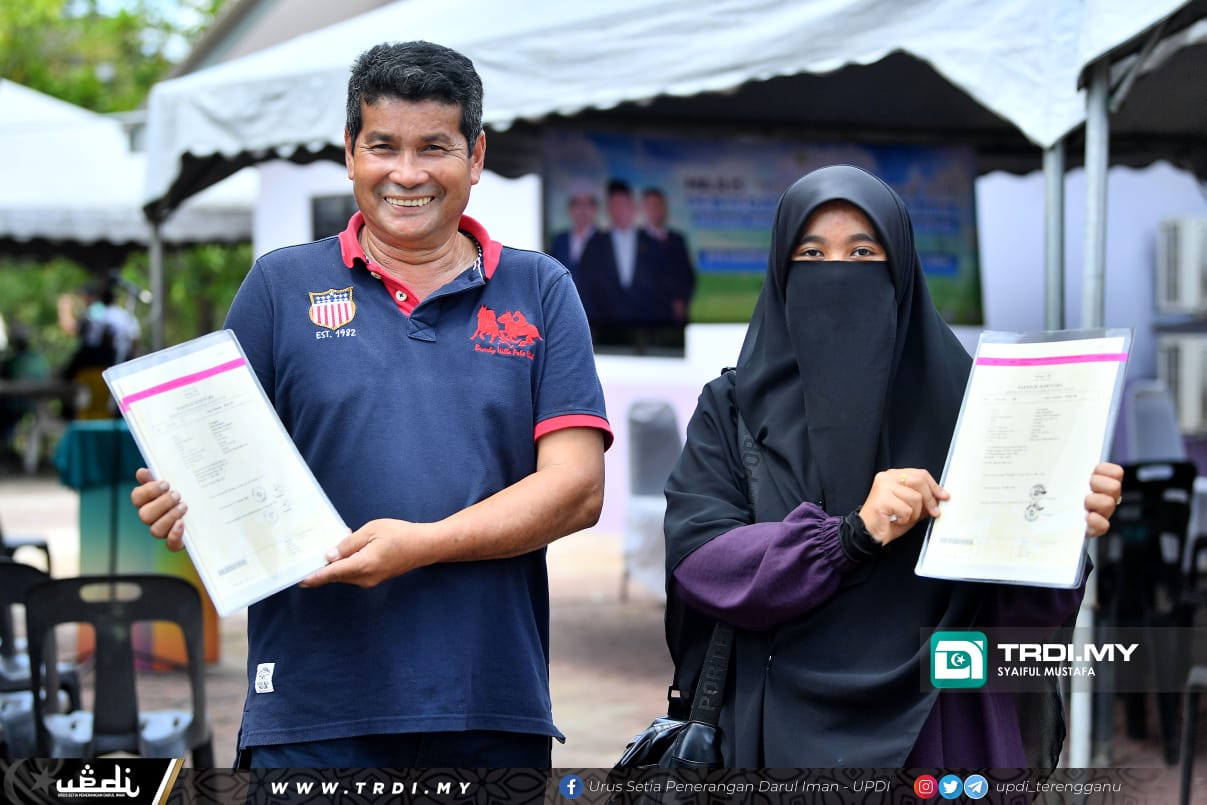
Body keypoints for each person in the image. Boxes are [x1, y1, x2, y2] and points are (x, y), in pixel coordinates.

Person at [130, 40, 611, 768]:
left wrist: (420, 545)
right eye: (383, 145)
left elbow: (575, 489)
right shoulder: (278, 288)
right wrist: (184, 502)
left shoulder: (540, 290)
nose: (407, 173)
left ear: (475, 157)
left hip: (485, 701)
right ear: (350, 152)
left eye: (434, 147)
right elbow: (218, 459)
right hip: (310, 707)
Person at [662, 164, 1123, 768]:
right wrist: (849, 536)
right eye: (811, 252)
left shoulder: (979, 409)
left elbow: (1020, 622)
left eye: (862, 251)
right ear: (780, 269)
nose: (837, 274)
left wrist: (1058, 527)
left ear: (900, 269)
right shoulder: (733, 409)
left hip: (938, 728)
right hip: (774, 735)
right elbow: (701, 557)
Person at [576, 179, 683, 352]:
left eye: (624, 205)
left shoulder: (654, 245)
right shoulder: (595, 245)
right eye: (615, 206)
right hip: (604, 334)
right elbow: (586, 287)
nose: (620, 211)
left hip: (653, 335)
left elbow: (665, 288)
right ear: (609, 210)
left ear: (633, 207)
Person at [640, 186, 696, 326]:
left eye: (659, 205)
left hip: (676, 317)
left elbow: (688, 276)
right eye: (652, 206)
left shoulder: (678, 239)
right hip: (645, 315)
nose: (656, 210)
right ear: (644, 209)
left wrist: (682, 301)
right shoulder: (636, 240)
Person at [549, 180, 599, 275]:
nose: (583, 209)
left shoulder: (604, 241)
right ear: (570, 209)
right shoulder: (559, 241)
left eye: (587, 204)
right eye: (578, 204)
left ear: (594, 209)